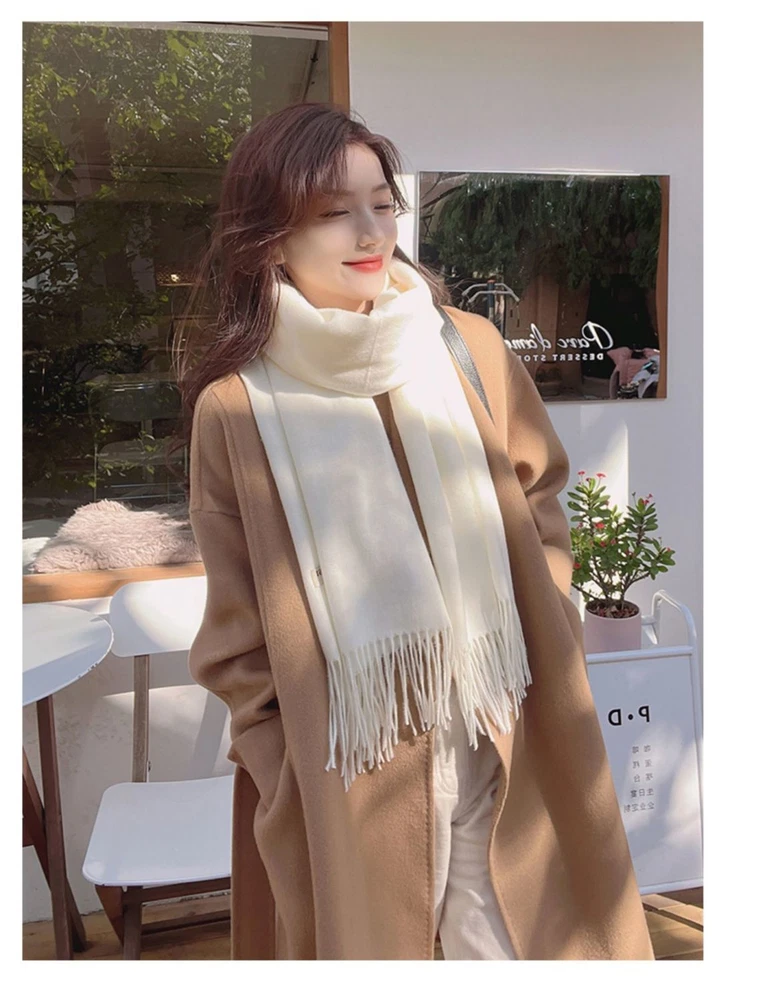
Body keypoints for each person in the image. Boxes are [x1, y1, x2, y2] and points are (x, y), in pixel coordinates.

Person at [176, 101, 654, 961]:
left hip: (502, 719)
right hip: (354, 763)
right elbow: (236, 632)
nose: (370, 232)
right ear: (270, 238)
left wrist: (548, 616)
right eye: (333, 211)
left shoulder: (467, 348)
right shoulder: (238, 408)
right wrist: (282, 760)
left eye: (382, 203)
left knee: (513, 943)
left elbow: (539, 493)